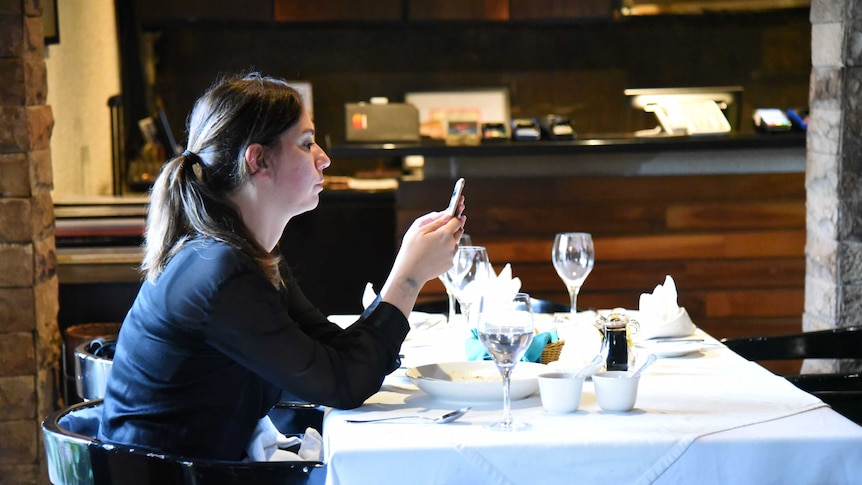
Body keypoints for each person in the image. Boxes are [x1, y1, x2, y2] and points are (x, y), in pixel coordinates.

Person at [98, 71, 466, 461]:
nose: (324, 158)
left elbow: (337, 353)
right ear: (258, 160)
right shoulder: (221, 271)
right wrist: (408, 277)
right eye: (306, 144)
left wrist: (408, 273)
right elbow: (343, 385)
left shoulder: (246, 256)